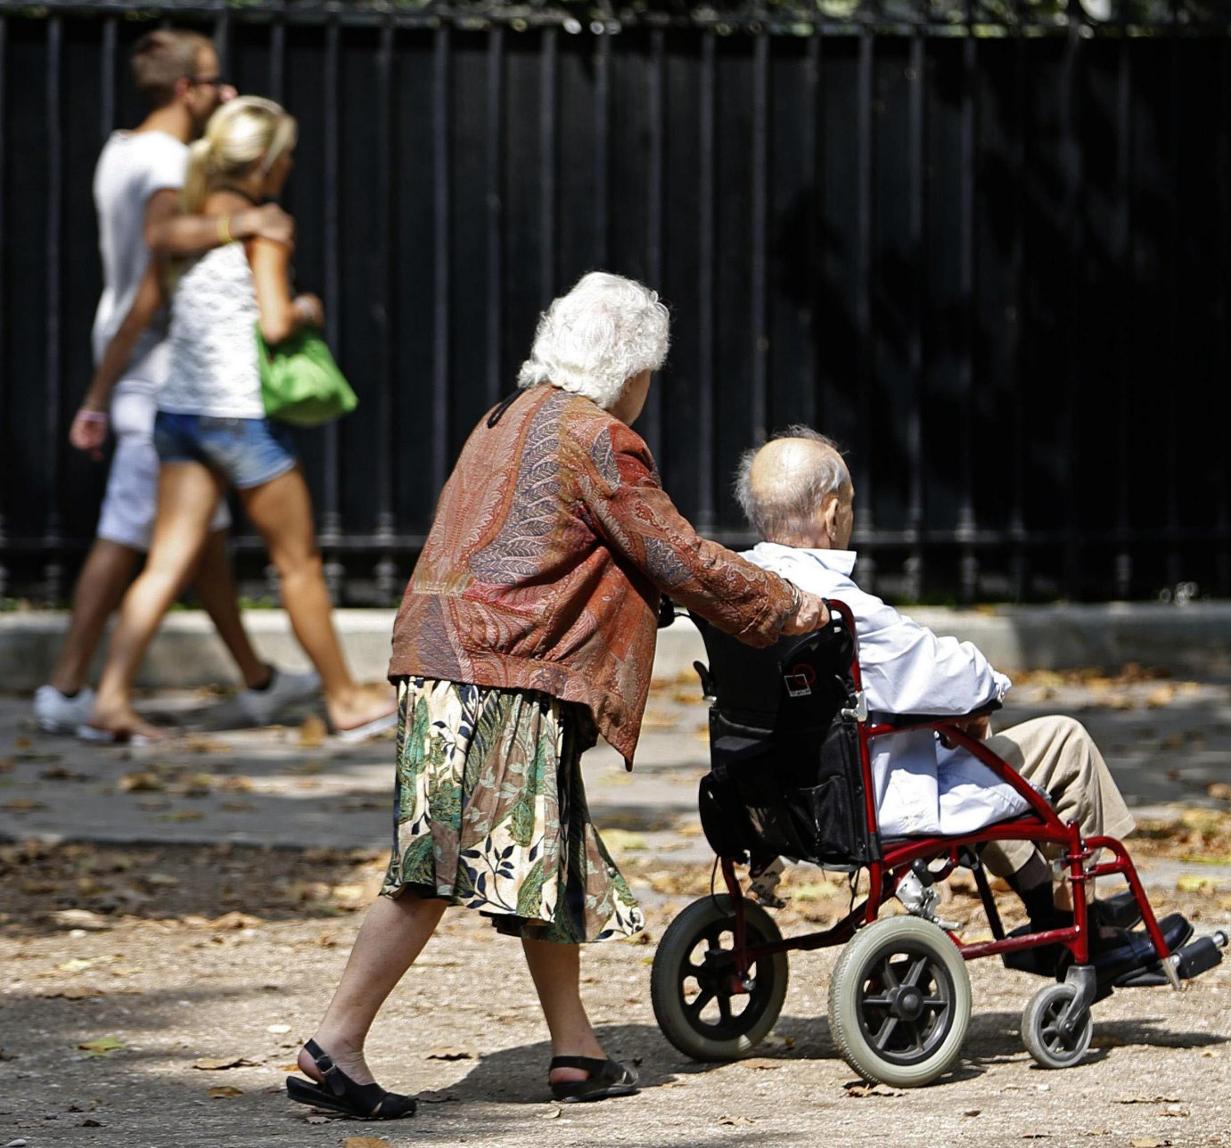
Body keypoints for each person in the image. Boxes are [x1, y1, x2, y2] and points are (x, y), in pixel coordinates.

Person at [284, 272, 828, 1119]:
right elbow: (676, 555)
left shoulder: (505, 418)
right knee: (431, 865)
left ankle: (575, 1048)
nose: (650, 389)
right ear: (629, 367)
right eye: (651, 370)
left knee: (552, 851)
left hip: (448, 658)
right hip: (497, 670)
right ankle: (335, 1044)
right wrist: (785, 603)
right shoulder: (600, 439)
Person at [734, 426, 1192, 973]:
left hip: (785, 795)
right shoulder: (846, 610)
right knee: (1064, 740)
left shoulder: (741, 586)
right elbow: (961, 678)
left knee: (982, 750)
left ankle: (1046, 904)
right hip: (872, 798)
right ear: (832, 514)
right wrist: (984, 696)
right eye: (850, 507)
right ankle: (1084, 923)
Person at [81, 96, 395, 745]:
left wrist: (96, 398)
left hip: (181, 414)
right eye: (287, 157)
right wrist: (308, 308)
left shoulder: (185, 226)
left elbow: (138, 313)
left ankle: (110, 697)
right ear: (267, 163)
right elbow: (276, 322)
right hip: (243, 419)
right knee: (298, 563)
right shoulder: (264, 227)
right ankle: (344, 699)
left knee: (165, 563)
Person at [35, 28, 317, 737]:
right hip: (160, 369)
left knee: (195, 541)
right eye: (214, 81)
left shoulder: (120, 148)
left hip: (146, 364)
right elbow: (162, 241)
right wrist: (246, 218)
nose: (225, 93)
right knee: (135, 537)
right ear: (186, 90)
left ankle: (255, 679)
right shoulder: (166, 158)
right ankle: (72, 689)